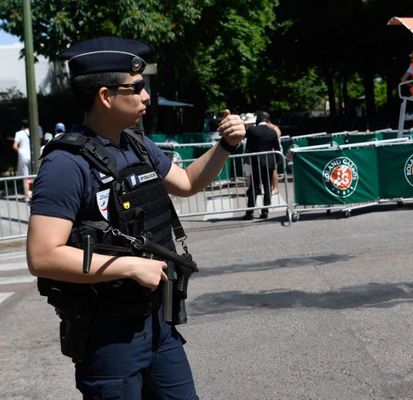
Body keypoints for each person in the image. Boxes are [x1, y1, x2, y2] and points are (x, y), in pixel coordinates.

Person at [26, 36, 245, 399]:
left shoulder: (136, 144)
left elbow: (188, 182)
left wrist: (225, 146)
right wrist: (127, 266)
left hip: (159, 320)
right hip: (108, 336)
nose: (146, 97)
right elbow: (42, 256)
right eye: (137, 88)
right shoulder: (65, 164)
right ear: (106, 96)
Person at [243, 110, 281, 220]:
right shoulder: (272, 132)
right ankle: (265, 211)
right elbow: (277, 148)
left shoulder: (252, 131)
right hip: (269, 162)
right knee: (267, 186)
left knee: (254, 187)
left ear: (257, 120)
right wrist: (276, 161)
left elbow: (248, 147)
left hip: (256, 162)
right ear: (267, 121)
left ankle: (250, 212)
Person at [12, 119, 32, 201]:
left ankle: (27, 196)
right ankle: (33, 194)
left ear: (21, 126)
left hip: (23, 156)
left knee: (25, 177)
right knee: (32, 175)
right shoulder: (33, 132)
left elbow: (14, 146)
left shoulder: (18, 133)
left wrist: (20, 151)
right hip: (32, 155)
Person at [266, 119, 282, 194]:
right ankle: (273, 187)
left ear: (269, 122)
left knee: (274, 170)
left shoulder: (275, 129)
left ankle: (275, 188)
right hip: (272, 151)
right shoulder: (272, 129)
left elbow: (276, 138)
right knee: (272, 170)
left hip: (275, 151)